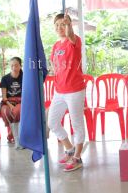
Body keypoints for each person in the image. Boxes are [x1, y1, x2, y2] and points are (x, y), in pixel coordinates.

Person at [48, 12, 86, 172]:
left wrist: (69, 25)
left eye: (62, 24)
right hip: (59, 91)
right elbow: (54, 65)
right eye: (57, 25)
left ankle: (77, 158)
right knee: (52, 122)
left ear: (68, 25)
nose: (60, 28)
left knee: (76, 124)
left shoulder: (74, 40)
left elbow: (70, 35)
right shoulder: (56, 46)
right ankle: (69, 149)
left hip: (75, 90)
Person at [0, 57, 23, 150]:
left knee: (17, 111)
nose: (14, 67)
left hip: (21, 101)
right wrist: (10, 105)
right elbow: (4, 97)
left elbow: (27, 94)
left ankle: (17, 140)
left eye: (16, 65)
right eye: (12, 65)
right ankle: (13, 133)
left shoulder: (25, 77)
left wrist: (16, 105)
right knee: (5, 111)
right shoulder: (5, 78)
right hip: (8, 102)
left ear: (20, 66)